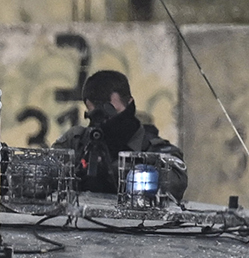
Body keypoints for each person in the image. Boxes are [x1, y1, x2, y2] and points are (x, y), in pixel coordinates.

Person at [55, 70, 187, 199]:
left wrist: (118, 171)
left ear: (130, 104)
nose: (105, 123)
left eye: (112, 113)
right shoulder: (76, 141)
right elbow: (48, 172)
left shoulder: (155, 149)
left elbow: (176, 183)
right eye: (97, 116)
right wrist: (76, 171)